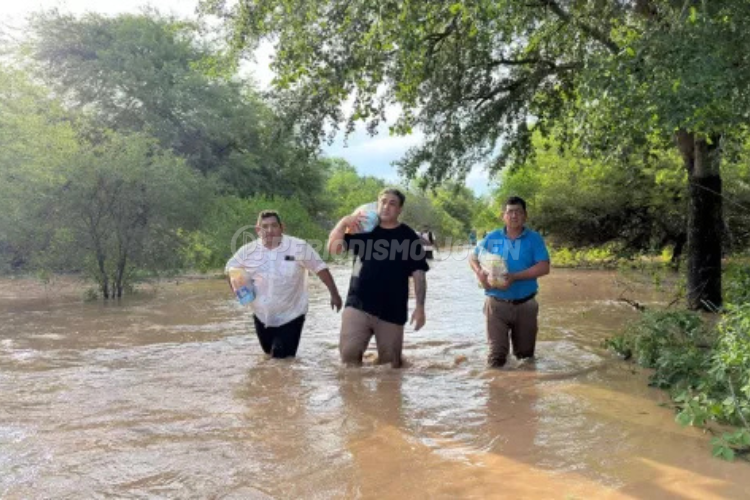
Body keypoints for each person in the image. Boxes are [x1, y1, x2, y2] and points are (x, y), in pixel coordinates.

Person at [327, 188, 429, 368]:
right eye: (383, 202)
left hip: (392, 310)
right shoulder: (363, 229)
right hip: (358, 304)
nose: (386, 206)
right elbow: (333, 249)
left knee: (390, 366)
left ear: (399, 210)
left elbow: (419, 274)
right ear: (377, 204)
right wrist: (343, 223)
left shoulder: (408, 236)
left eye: (392, 203)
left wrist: (420, 307)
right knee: (348, 359)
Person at [226, 210, 342, 359]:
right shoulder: (248, 251)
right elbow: (230, 269)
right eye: (265, 226)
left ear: (282, 227)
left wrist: (334, 294)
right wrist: (238, 290)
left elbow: (320, 268)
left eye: (274, 225)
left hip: (291, 315)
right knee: (269, 356)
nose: (269, 230)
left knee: (281, 358)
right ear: (258, 230)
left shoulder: (298, 247)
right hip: (261, 316)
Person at [469, 196, 550, 368]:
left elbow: (544, 267)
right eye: (510, 212)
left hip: (526, 304)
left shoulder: (534, 238)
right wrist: (479, 273)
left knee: (525, 358)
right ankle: (497, 385)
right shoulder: (492, 237)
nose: (514, 216)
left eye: (518, 212)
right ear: (503, 216)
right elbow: (473, 257)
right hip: (496, 305)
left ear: (525, 215)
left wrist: (514, 277)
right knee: (496, 359)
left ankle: (523, 385)